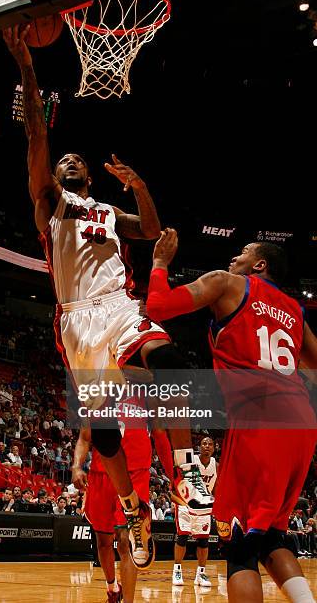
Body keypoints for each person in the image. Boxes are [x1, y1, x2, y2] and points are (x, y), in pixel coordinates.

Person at [3, 24, 212, 570]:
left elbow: (150, 229)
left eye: (77, 161)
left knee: (166, 357)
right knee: (104, 434)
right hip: (76, 323)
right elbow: (35, 139)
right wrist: (27, 65)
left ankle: (189, 469)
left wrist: (140, 187)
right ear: (54, 173)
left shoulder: (106, 211)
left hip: (118, 305)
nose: (68, 162)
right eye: (62, 159)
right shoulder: (49, 200)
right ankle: (131, 508)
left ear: (89, 175)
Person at [147, 235, 317, 603]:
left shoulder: (227, 283)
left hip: (260, 420)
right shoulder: (295, 311)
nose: (233, 257)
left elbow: (158, 307)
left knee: (239, 548)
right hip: (302, 423)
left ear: (259, 265)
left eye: (242, 253)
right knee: (272, 537)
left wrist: (160, 263)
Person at [72, 394, 151, 601]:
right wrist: (77, 466)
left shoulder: (145, 394)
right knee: (103, 542)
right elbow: (84, 437)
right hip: (101, 474)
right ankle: (112, 588)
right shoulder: (97, 395)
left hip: (135, 473)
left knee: (127, 541)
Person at [173, 436, 218, 588]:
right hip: (185, 504)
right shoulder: (191, 461)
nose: (207, 446)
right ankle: (177, 570)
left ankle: (201, 574)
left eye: (210, 444)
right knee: (182, 537)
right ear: (199, 447)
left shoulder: (216, 465)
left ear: (214, 448)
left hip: (204, 506)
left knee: (203, 541)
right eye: (204, 443)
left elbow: (217, 488)